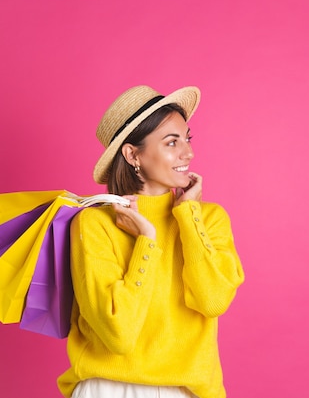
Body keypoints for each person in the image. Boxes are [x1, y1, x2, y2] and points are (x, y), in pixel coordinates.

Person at [57, 85, 245, 398]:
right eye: (172, 142)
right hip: (110, 389)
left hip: (188, 391)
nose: (188, 153)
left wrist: (188, 215)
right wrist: (147, 240)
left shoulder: (208, 219)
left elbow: (213, 301)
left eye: (187, 138)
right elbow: (118, 334)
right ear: (133, 154)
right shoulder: (95, 223)